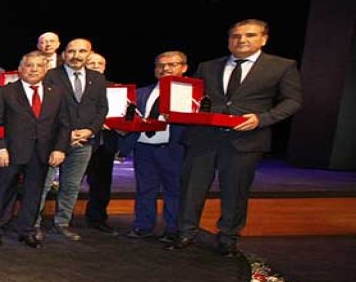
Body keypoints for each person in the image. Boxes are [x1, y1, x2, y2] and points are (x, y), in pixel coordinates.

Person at [173, 19, 303, 256]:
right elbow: (193, 98)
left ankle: (228, 238)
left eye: (250, 35)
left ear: (264, 39)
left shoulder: (281, 66)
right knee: (191, 188)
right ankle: (185, 232)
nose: (242, 40)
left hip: (245, 140)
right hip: (203, 138)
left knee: (235, 192)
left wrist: (262, 119)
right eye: (236, 36)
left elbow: (293, 101)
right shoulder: (208, 66)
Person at [0, 52, 70, 248]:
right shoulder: (4, 92)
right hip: (10, 153)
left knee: (34, 193)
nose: (34, 69)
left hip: (42, 153)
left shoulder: (57, 93)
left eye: (39, 66)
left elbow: (64, 124)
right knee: (2, 192)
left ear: (46, 69)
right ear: (20, 69)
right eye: (29, 65)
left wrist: (59, 149)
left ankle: (27, 231)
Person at [36, 38, 107, 240]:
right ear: (64, 54)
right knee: (43, 184)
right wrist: (65, 134)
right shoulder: (50, 76)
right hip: (53, 141)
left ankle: (62, 223)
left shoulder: (97, 78)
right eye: (71, 51)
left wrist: (89, 131)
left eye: (82, 51)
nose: (76, 56)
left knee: (71, 185)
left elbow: (102, 109)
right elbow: (45, 109)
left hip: (84, 142)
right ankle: (33, 224)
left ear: (89, 54)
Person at [119, 51, 189, 242]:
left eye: (172, 64)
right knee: (144, 189)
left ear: (184, 67)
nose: (165, 68)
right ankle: (143, 227)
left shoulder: (190, 94)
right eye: (160, 65)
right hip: (144, 147)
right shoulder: (141, 92)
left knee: (174, 191)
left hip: (173, 148)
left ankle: (173, 230)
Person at [82, 51, 119, 234]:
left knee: (102, 184)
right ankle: (63, 219)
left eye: (100, 63)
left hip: (105, 143)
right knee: (70, 183)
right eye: (92, 63)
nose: (96, 66)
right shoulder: (77, 87)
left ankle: (97, 218)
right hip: (81, 141)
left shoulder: (116, 89)